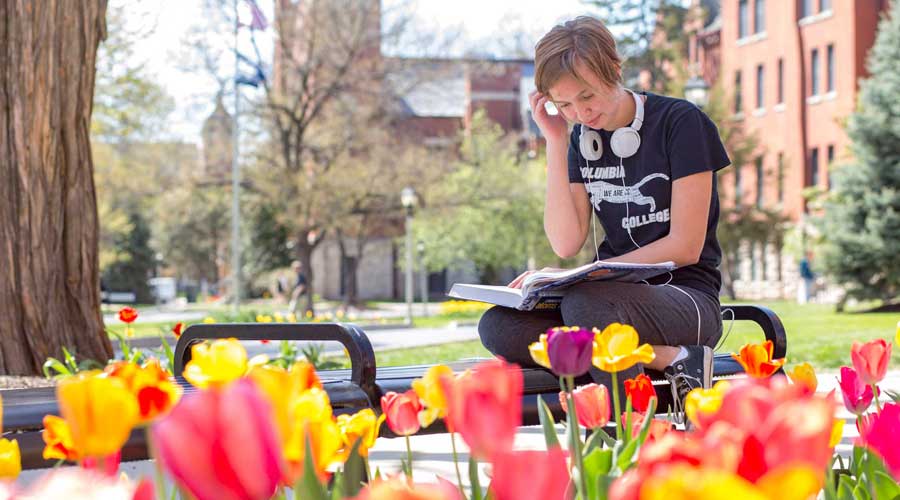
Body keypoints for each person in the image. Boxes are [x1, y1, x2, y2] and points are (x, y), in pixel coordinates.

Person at [477, 16, 730, 418]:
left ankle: (624, 433)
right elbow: (565, 241)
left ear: (614, 70)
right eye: (564, 104)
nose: (580, 112)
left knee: (586, 307)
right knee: (499, 325)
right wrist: (556, 140)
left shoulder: (681, 123)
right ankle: (670, 359)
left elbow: (685, 246)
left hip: (687, 300)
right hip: (606, 302)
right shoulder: (579, 137)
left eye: (587, 96)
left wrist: (593, 272)